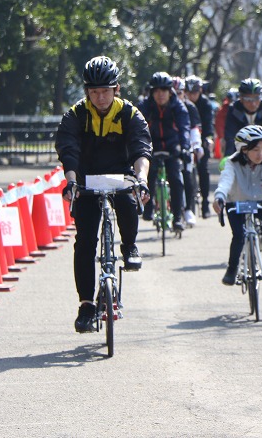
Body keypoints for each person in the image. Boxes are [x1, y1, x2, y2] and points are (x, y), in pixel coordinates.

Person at [55, 55, 153, 333]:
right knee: (85, 241)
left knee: (127, 201)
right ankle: (86, 305)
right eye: (94, 92)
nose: (100, 97)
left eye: (106, 91)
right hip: (85, 177)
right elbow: (68, 149)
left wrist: (141, 180)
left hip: (119, 174)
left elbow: (141, 149)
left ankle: (129, 246)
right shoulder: (75, 115)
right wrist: (71, 181)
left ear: (117, 89)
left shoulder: (130, 114)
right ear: (87, 92)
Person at [214, 125, 262, 285]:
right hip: (236, 202)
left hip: (261, 201)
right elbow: (225, 182)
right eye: (255, 150)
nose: (260, 154)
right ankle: (232, 269)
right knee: (238, 235)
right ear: (244, 149)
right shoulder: (232, 162)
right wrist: (219, 197)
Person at [137, 71, 191, 231]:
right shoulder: (144, 106)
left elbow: (184, 128)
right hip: (151, 146)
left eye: (164, 91)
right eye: (157, 91)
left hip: (172, 146)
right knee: (149, 173)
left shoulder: (178, 106)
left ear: (170, 91)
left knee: (176, 179)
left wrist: (186, 148)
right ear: (152, 92)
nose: (161, 95)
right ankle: (148, 207)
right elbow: (136, 128)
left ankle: (177, 217)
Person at [173, 76, 202, 227]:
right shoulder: (164, 106)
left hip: (185, 145)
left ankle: (189, 209)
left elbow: (194, 128)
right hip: (168, 147)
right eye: (173, 92)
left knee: (187, 174)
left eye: (179, 92)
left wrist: (196, 145)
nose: (176, 96)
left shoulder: (190, 107)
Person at [224, 78, 262, 156]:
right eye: (248, 99)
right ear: (241, 98)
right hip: (241, 147)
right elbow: (230, 136)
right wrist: (228, 157)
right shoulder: (234, 110)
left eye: (256, 98)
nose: (253, 103)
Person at [185, 75, 215, 219]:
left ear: (200, 91)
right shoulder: (182, 103)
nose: (192, 96)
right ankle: (188, 203)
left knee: (203, 169)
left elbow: (209, 124)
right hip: (186, 138)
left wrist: (208, 139)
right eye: (189, 92)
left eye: (195, 92)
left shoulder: (206, 104)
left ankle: (205, 203)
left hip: (201, 139)